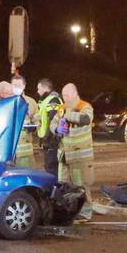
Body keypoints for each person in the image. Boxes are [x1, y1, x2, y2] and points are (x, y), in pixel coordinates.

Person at [56, 83, 95, 222]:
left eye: (66, 95)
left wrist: (67, 114)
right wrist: (56, 129)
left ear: (74, 93)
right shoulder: (61, 108)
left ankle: (85, 213)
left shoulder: (84, 106)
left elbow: (86, 119)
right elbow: (53, 123)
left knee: (82, 185)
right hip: (64, 155)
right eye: (63, 95)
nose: (64, 97)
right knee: (64, 185)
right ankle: (67, 212)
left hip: (80, 155)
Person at [35, 78, 62, 176]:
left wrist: (48, 139)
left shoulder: (53, 100)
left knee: (51, 168)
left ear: (45, 88)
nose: (37, 91)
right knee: (49, 167)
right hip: (48, 140)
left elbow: (53, 120)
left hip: (52, 140)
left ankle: (54, 189)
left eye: (39, 88)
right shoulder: (46, 100)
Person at [11, 73, 39, 168]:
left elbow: (37, 122)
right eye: (14, 85)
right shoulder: (5, 101)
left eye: (18, 85)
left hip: (25, 151)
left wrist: (33, 127)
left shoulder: (31, 102)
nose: (16, 88)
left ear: (24, 86)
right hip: (7, 150)